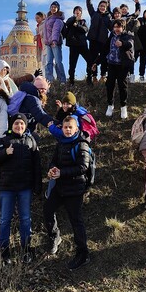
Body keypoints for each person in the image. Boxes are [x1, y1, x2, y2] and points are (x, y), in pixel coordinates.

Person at [0, 113, 42, 265]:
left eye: (22, 124)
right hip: (7, 188)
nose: (19, 126)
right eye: (16, 124)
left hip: (25, 187)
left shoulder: (31, 141)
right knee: (5, 220)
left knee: (25, 219)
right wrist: (5, 153)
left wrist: (38, 185)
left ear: (25, 126)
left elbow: (37, 166)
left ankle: (26, 250)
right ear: (11, 126)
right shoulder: (4, 141)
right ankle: (4, 251)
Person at [44, 116, 92, 270]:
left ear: (77, 128)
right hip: (60, 187)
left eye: (71, 127)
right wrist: (52, 169)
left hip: (75, 188)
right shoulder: (60, 144)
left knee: (76, 221)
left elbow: (82, 167)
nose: (68, 130)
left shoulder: (81, 144)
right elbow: (54, 161)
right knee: (47, 210)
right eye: (65, 127)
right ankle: (54, 236)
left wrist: (61, 173)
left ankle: (83, 254)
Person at [97, 18, 134, 119]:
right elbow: (105, 50)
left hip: (123, 65)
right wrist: (96, 62)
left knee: (122, 86)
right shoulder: (111, 37)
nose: (117, 29)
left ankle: (123, 107)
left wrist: (122, 44)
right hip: (112, 64)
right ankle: (110, 105)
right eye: (115, 27)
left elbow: (130, 44)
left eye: (119, 27)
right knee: (110, 85)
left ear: (123, 27)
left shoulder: (127, 35)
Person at [85, 0, 112, 83]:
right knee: (92, 58)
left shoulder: (108, 17)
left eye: (104, 6)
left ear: (106, 8)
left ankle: (103, 75)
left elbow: (112, 27)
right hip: (93, 40)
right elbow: (89, 5)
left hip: (103, 40)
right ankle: (93, 76)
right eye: (101, 6)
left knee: (104, 58)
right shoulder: (94, 14)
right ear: (98, 6)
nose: (102, 7)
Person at [62, 6, 90, 85]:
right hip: (73, 45)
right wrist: (74, 19)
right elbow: (67, 23)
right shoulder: (71, 20)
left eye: (79, 10)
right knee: (72, 64)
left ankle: (89, 77)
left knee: (90, 60)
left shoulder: (83, 21)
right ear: (74, 12)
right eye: (76, 10)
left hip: (82, 45)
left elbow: (85, 30)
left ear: (81, 12)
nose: (77, 11)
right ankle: (71, 80)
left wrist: (77, 25)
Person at [43, 1, 66, 83]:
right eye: (52, 7)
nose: (53, 8)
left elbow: (56, 31)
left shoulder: (58, 19)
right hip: (48, 43)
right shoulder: (48, 18)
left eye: (55, 7)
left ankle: (62, 80)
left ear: (58, 8)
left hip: (55, 42)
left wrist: (54, 41)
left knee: (58, 62)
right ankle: (49, 80)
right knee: (49, 62)